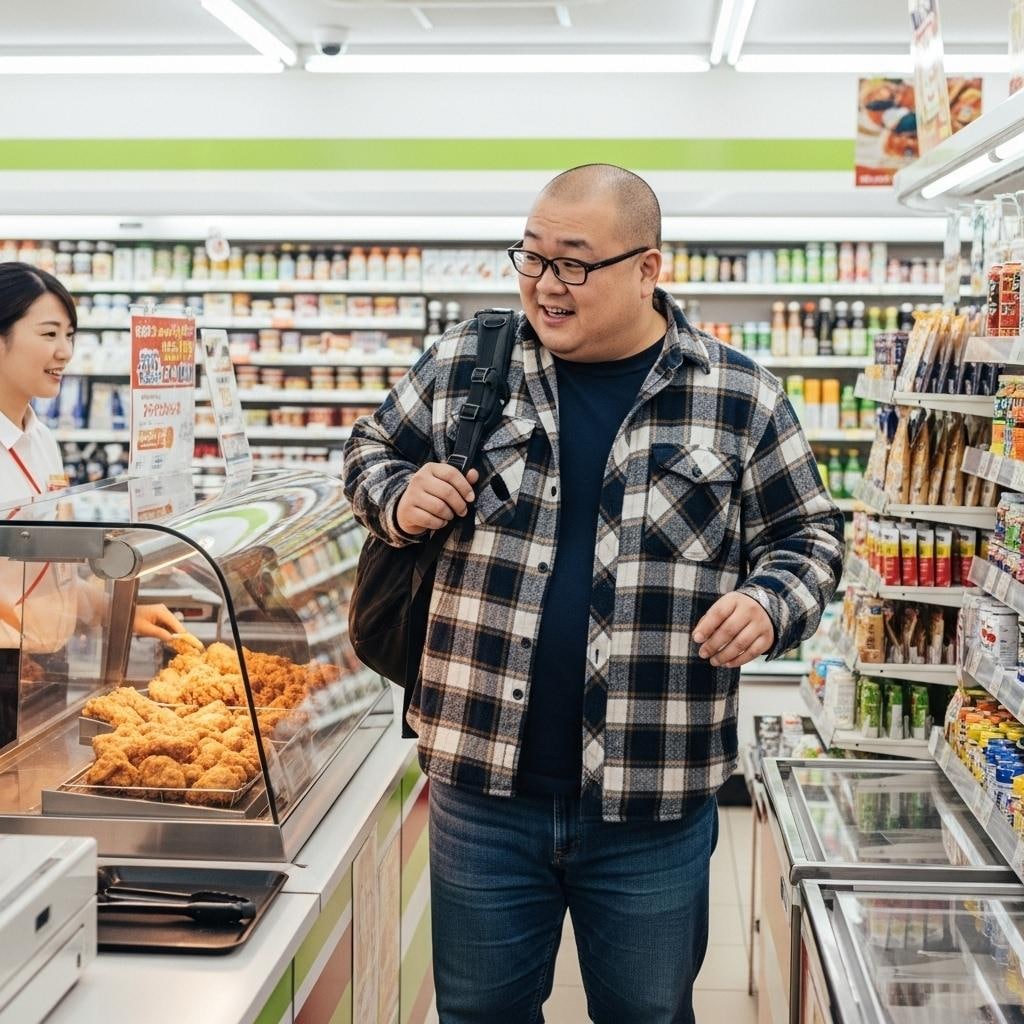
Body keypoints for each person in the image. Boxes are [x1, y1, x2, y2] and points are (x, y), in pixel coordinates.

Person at [343, 164, 844, 1024]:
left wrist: (769, 601)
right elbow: (368, 450)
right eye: (530, 257)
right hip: (479, 787)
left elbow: (810, 539)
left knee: (648, 1015)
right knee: (477, 1014)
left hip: (653, 793)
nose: (544, 284)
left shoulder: (739, 395)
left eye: (573, 263)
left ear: (649, 268)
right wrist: (396, 496)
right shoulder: (469, 362)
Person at [0, 261, 188, 653]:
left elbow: (51, 576)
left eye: (69, 335)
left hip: (43, 671)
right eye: (49, 334)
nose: (65, 352)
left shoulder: (42, 440)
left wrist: (116, 611)